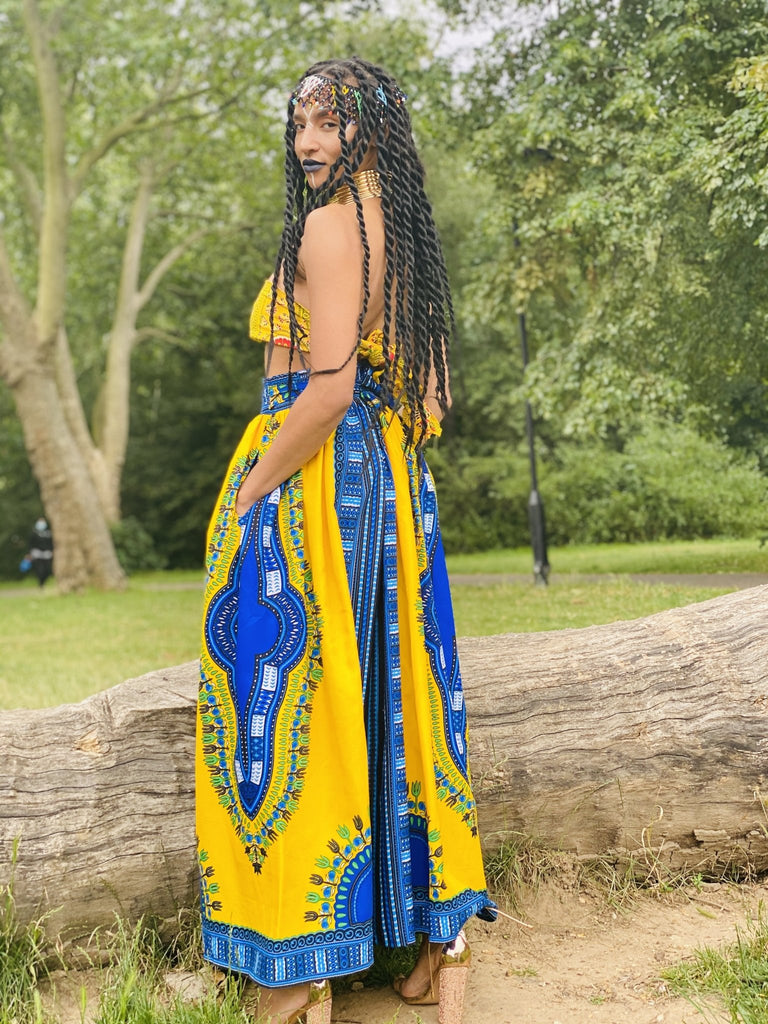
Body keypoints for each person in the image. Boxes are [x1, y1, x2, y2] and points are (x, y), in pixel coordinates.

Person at [196, 57, 494, 1024]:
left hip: (314, 474)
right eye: (299, 125)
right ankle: (440, 944)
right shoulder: (399, 232)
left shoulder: (328, 229)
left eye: (327, 123)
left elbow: (322, 390)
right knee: (397, 694)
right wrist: (382, 457)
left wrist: (253, 488)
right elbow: (433, 397)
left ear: (371, 129)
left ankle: (296, 970)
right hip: (389, 476)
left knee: (291, 702)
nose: (307, 143)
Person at [27, 517, 53, 587]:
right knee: (40, 569)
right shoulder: (34, 533)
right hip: (37, 554)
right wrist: (29, 553)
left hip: (47, 554)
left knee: (48, 569)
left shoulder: (48, 533)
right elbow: (30, 544)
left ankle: (43, 581)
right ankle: (41, 583)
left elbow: (51, 543)